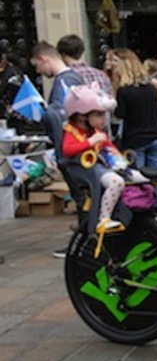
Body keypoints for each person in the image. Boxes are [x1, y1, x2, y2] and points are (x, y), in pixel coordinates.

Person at [61, 84, 147, 233]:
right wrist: (90, 142)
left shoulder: (96, 131)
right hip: (90, 170)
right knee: (116, 182)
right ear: (82, 115)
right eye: (99, 115)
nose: (103, 119)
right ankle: (104, 219)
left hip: (106, 166)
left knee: (143, 178)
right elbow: (67, 150)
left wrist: (119, 159)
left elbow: (109, 147)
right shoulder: (72, 131)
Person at [30, 41, 86, 258]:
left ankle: (83, 244)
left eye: (37, 66)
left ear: (45, 59)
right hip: (78, 147)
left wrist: (42, 114)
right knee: (83, 198)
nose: (39, 72)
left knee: (81, 198)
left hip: (70, 149)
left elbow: (57, 117)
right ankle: (84, 241)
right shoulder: (75, 78)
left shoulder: (64, 82)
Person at [112, 48, 157, 173]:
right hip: (154, 137)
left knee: (138, 178)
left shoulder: (124, 91)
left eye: (116, 61)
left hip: (135, 140)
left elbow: (120, 114)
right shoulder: (150, 89)